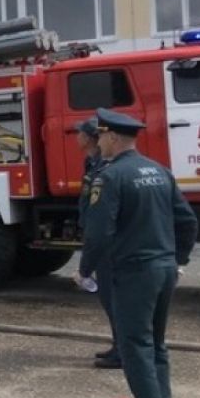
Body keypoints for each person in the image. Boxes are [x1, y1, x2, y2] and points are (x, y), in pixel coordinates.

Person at [78, 108, 198, 398]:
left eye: (100, 136)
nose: (97, 142)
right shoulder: (159, 171)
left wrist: (85, 269)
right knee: (156, 348)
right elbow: (187, 222)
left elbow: (99, 232)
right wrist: (178, 261)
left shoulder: (110, 177)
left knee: (135, 350)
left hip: (133, 272)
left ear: (113, 137)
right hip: (163, 270)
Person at [74, 118, 120, 370]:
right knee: (106, 297)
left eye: (79, 133)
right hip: (94, 232)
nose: (76, 137)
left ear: (90, 137)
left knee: (113, 298)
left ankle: (122, 351)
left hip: (107, 242)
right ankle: (117, 345)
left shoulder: (104, 164)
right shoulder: (91, 161)